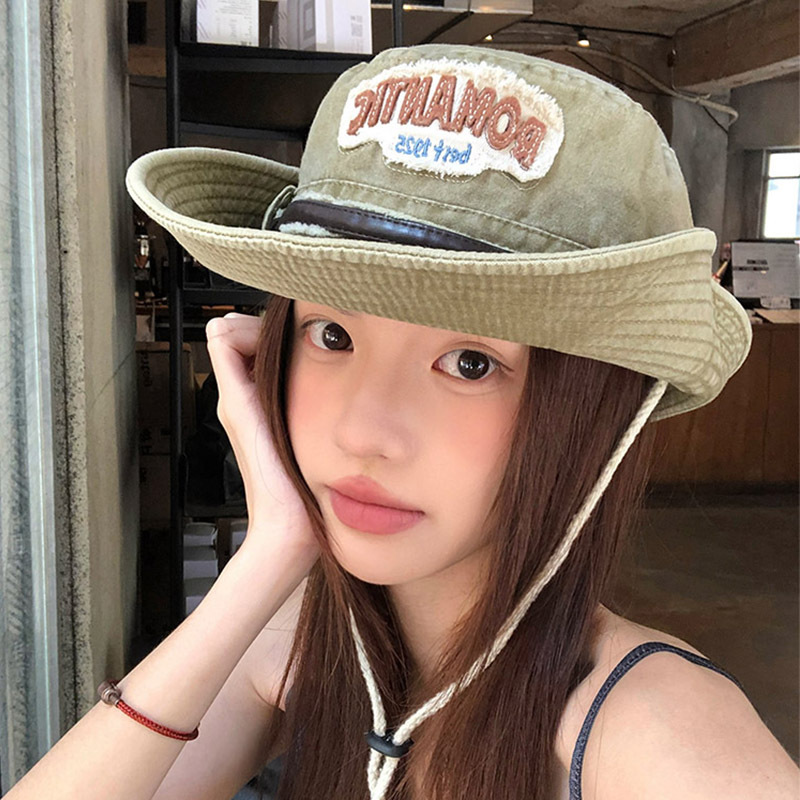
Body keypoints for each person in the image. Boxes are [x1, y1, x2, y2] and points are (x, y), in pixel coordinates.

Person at [7, 43, 797, 800]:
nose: (363, 434)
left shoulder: (651, 727)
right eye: (332, 335)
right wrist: (266, 556)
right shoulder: (305, 641)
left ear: (597, 413)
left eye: (470, 363)